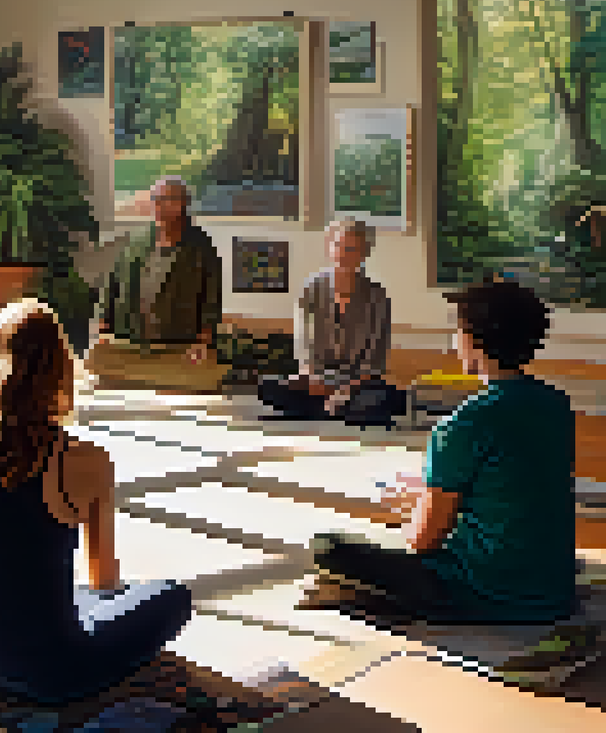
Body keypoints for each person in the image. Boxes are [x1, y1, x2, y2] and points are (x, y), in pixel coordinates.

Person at [0, 298, 193, 708]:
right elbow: (103, 581)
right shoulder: (87, 459)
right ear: (62, 370)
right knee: (171, 596)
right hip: (56, 671)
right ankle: (59, 611)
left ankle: (30, 618)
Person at [301, 278, 577, 624]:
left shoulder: (464, 423)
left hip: (483, 594)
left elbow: (422, 540)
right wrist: (433, 493)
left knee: (328, 547)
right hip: (554, 592)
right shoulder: (556, 405)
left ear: (474, 340)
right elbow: (514, 484)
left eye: (458, 330)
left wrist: (418, 505)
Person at [259, 218, 407, 427]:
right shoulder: (310, 291)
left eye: (351, 249)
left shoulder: (377, 296)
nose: (342, 254)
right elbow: (304, 351)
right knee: (269, 387)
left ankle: (321, 410)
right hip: (317, 381)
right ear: (329, 248)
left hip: (358, 383)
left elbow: (374, 361)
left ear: (364, 254)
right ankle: (335, 409)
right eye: (337, 246)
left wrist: (346, 389)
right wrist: (320, 384)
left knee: (390, 397)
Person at [91, 177, 227, 392]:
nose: (159, 206)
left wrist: (203, 340)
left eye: (167, 200)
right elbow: (112, 283)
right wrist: (102, 327)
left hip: (176, 343)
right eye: (156, 199)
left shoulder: (201, 247)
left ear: (184, 203)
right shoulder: (136, 241)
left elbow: (211, 296)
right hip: (130, 338)